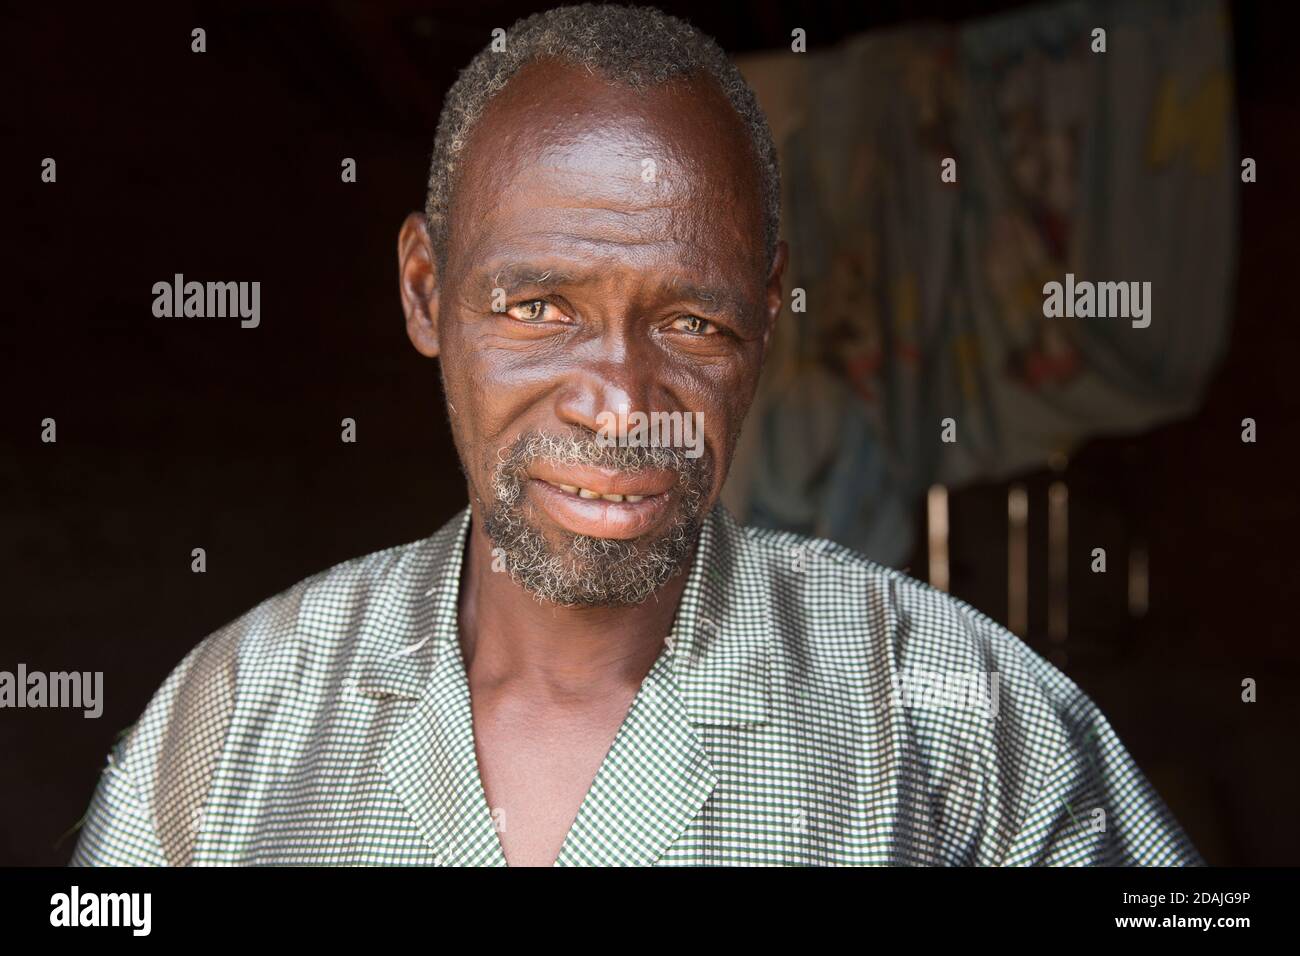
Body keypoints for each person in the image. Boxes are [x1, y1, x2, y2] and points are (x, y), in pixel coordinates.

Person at [72, 3, 1201, 867]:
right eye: (537, 308)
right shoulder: (228, 727)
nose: (619, 403)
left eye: (690, 320)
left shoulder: (964, 724)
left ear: (765, 315)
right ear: (424, 291)